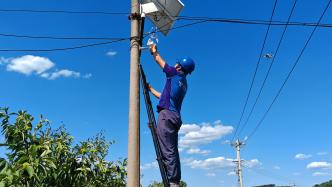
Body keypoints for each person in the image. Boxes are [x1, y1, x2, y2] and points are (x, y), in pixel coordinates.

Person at [148, 44, 195, 187]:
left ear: (180, 67)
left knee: (167, 150)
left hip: (167, 115)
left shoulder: (175, 73)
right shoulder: (183, 83)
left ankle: (173, 182)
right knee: (171, 149)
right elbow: (163, 97)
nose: (175, 65)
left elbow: (160, 62)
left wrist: (154, 51)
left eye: (177, 64)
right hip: (174, 116)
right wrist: (149, 89)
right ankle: (175, 180)